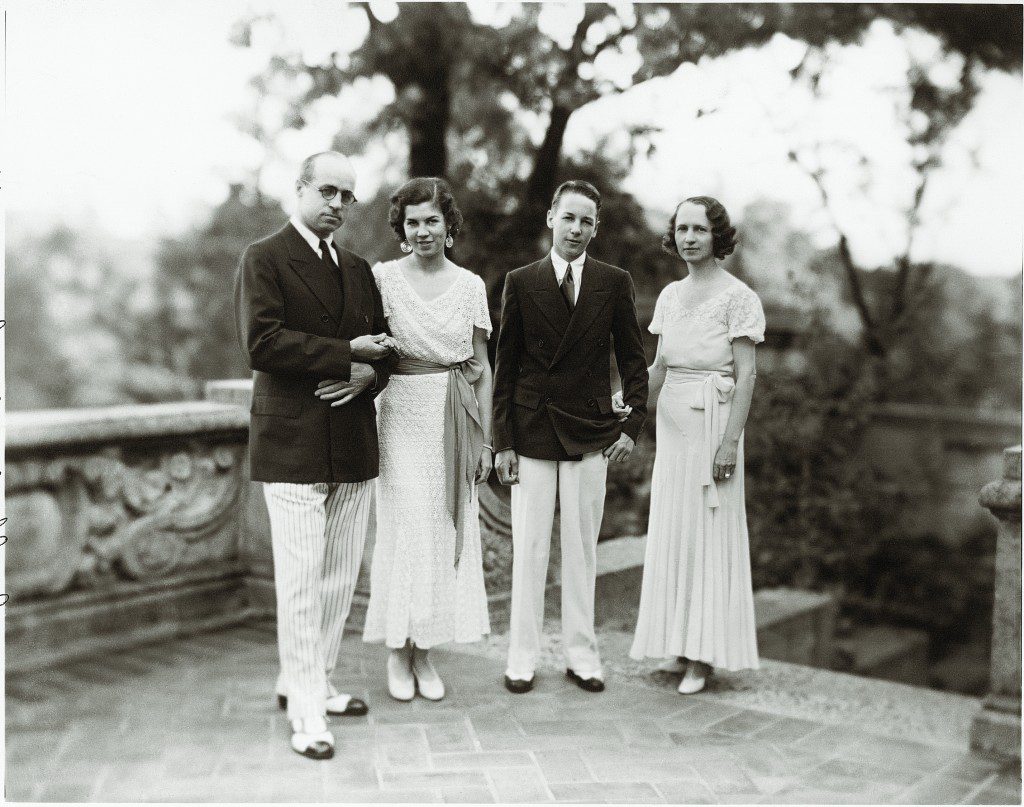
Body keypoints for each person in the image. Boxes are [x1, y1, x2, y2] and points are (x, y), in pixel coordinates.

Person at [234, 151, 396, 760]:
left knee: (337, 579)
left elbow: (386, 352)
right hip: (293, 444)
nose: (337, 203)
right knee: (301, 582)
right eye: (327, 190)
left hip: (352, 444)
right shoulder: (265, 258)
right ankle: (305, 712)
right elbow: (262, 342)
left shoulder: (357, 268)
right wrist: (343, 352)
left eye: (347, 195)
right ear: (299, 190)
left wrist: (364, 376)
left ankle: (315, 680)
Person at [492, 180, 649, 694]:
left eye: (586, 221)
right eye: (568, 218)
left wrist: (631, 426)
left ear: (595, 228)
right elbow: (505, 365)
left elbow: (632, 360)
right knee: (531, 549)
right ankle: (522, 656)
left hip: (589, 433)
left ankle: (582, 656)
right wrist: (504, 442)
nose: (576, 229)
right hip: (532, 430)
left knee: (581, 549)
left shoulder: (612, 282)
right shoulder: (520, 281)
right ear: (551, 220)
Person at [362, 177, 493, 702]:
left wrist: (485, 442)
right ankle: (399, 648)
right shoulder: (383, 279)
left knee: (441, 532)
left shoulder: (471, 286)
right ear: (402, 229)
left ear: (448, 226)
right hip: (399, 415)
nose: (422, 231)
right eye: (412, 222)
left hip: (454, 417)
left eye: (431, 221)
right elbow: (367, 351)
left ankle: (425, 651)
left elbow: (483, 367)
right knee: (407, 527)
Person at [628, 195, 764, 694]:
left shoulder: (739, 298)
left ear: (717, 237)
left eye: (699, 230)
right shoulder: (669, 296)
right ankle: (678, 644)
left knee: (710, 534)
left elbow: (747, 376)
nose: (689, 237)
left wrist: (729, 443)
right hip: (674, 427)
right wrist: (623, 401)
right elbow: (660, 370)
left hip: (715, 423)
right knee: (674, 530)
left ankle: (704, 657)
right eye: (682, 228)